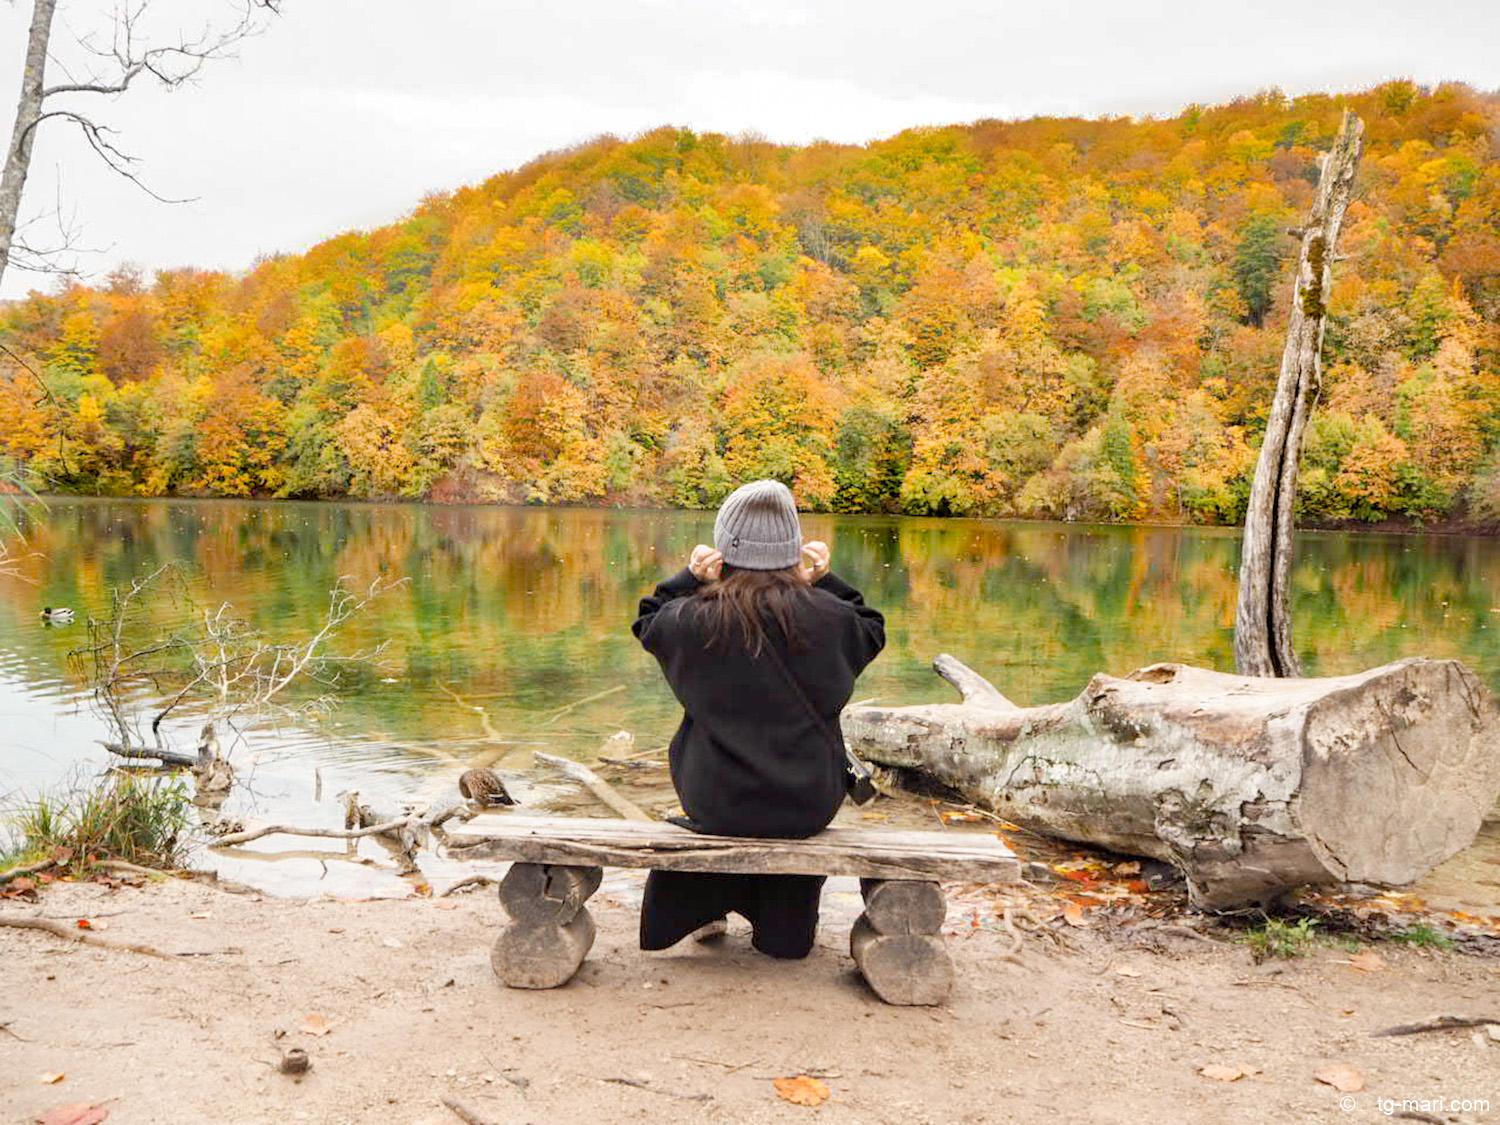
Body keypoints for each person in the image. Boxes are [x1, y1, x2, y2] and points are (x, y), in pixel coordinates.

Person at [631, 479, 886, 959]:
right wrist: (826, 580)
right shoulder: (831, 618)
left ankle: (700, 905)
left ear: (724, 550)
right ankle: (779, 923)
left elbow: (649, 621)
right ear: (793, 549)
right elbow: (871, 629)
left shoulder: (691, 618)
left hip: (715, 799)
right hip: (805, 803)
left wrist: (687, 578)